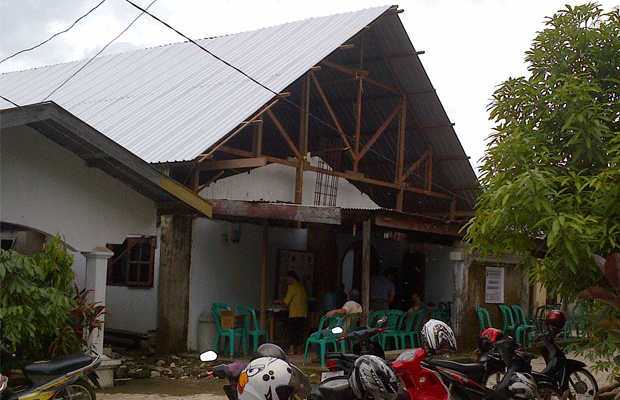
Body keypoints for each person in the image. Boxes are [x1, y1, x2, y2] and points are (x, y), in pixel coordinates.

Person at [309, 288, 362, 362]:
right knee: (328, 338)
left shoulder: (349, 304)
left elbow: (344, 310)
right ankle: (329, 354)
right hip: (349, 330)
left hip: (338, 331)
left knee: (314, 336)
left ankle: (321, 357)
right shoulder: (359, 306)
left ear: (348, 297)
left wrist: (334, 311)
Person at [274, 270, 308, 355]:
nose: (287, 281)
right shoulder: (301, 286)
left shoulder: (292, 286)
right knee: (300, 332)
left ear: (291, 277)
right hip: (303, 313)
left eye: (287, 278)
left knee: (292, 332)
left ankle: (291, 350)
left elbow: (286, 301)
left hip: (294, 313)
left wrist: (277, 301)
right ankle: (299, 350)